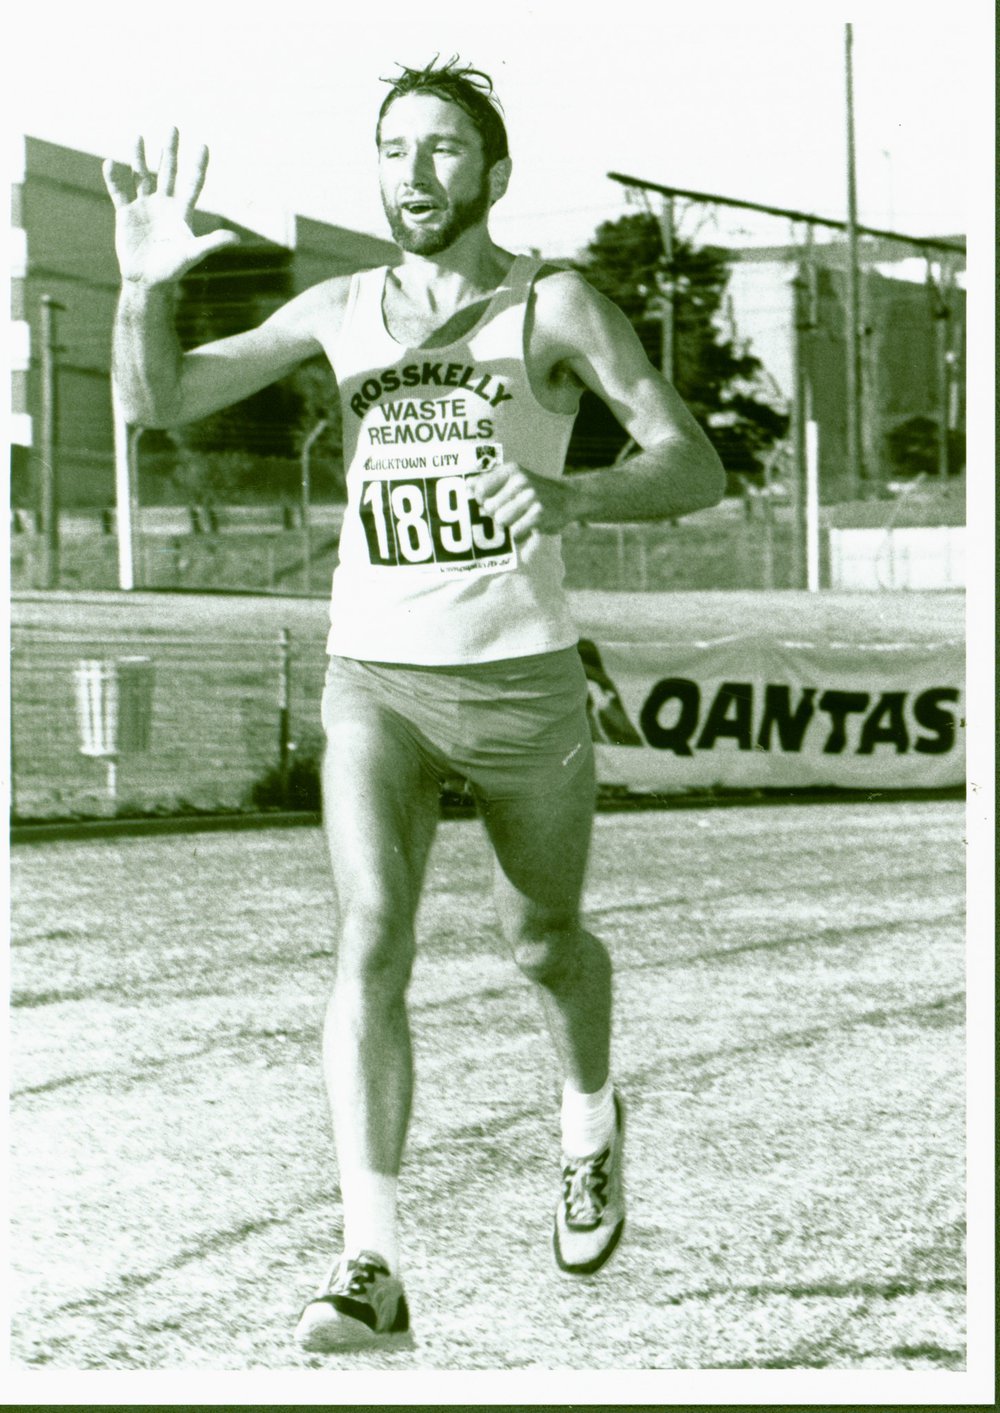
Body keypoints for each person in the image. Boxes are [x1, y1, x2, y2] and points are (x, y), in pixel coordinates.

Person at [103, 57, 725, 1352]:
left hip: (521, 682)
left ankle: (589, 1113)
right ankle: (371, 1263)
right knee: (369, 936)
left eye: (445, 148)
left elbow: (691, 461)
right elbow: (151, 402)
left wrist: (568, 496)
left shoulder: (552, 306)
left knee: (545, 941)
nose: (416, 170)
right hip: (375, 676)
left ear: (494, 174)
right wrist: (139, 286)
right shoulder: (339, 307)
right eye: (396, 146)